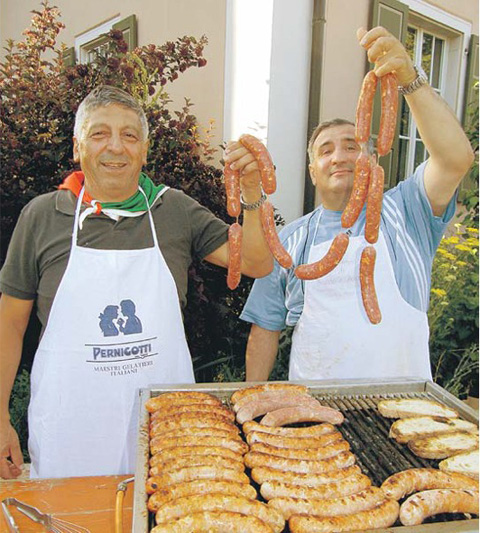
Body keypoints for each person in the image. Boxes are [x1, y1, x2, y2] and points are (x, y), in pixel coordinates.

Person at [0, 85, 273, 479]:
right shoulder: (42, 216)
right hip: (70, 431)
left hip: (166, 428)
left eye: (129, 135)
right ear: (77, 147)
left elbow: (255, 262)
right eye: (99, 133)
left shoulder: (173, 210)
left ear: (144, 151)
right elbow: (10, 323)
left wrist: (251, 192)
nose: (116, 146)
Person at [241, 26, 474, 383]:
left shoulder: (409, 209)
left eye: (352, 145)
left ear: (371, 159)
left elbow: (456, 159)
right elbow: (264, 328)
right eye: (326, 150)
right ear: (312, 172)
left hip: (403, 402)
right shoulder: (288, 241)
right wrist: (251, 398)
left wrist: (409, 79)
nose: (339, 157)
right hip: (314, 408)